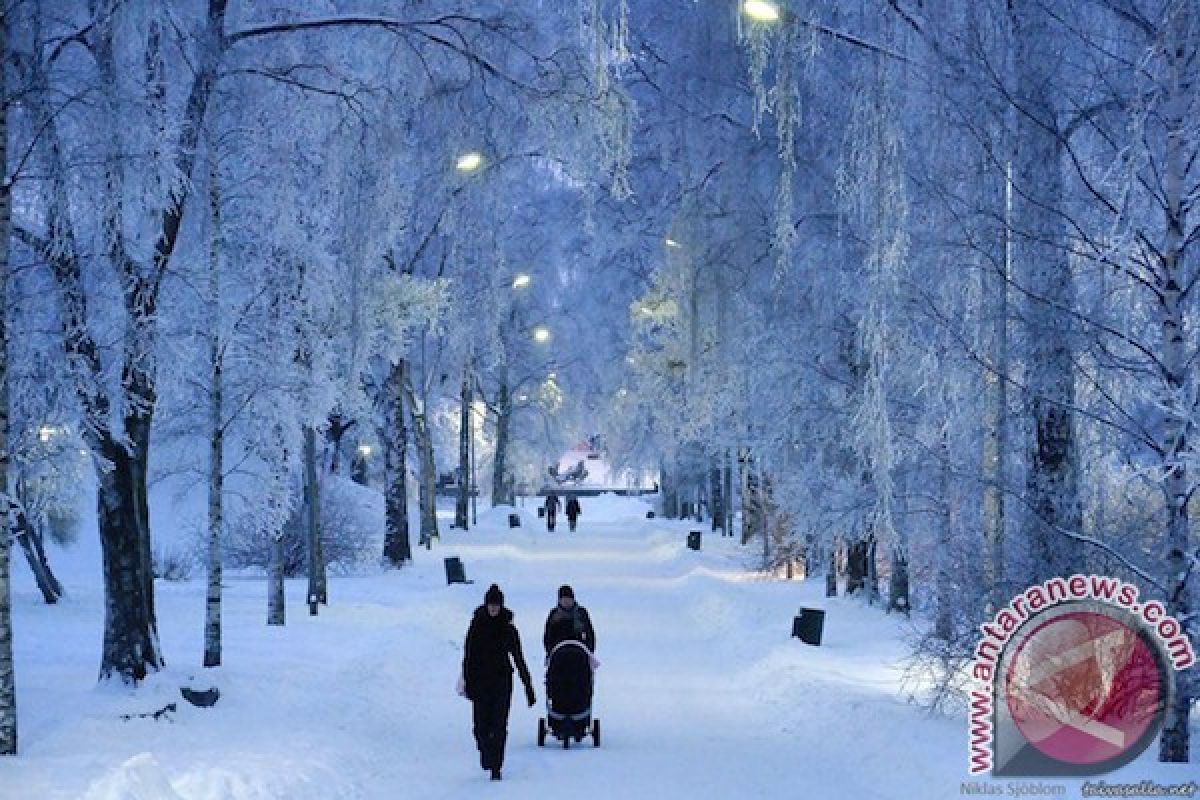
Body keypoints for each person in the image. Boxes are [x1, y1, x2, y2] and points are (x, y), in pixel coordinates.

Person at [459, 584, 536, 781]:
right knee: (480, 728)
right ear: (486, 605)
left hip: (502, 683)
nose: (493, 609)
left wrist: (528, 687)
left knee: (499, 726)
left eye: (496, 605)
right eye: (491, 605)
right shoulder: (476, 626)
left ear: (501, 606)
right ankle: (486, 754)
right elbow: (468, 656)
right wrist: (468, 681)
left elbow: (518, 658)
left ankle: (496, 767)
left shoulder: (508, 630)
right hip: (480, 683)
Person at [543, 584, 596, 656]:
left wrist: (589, 651)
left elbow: (590, 633)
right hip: (558, 651)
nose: (566, 602)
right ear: (559, 601)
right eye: (563, 599)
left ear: (573, 599)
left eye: (568, 599)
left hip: (579, 648)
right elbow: (548, 636)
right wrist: (550, 652)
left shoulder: (581, 612)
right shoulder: (554, 614)